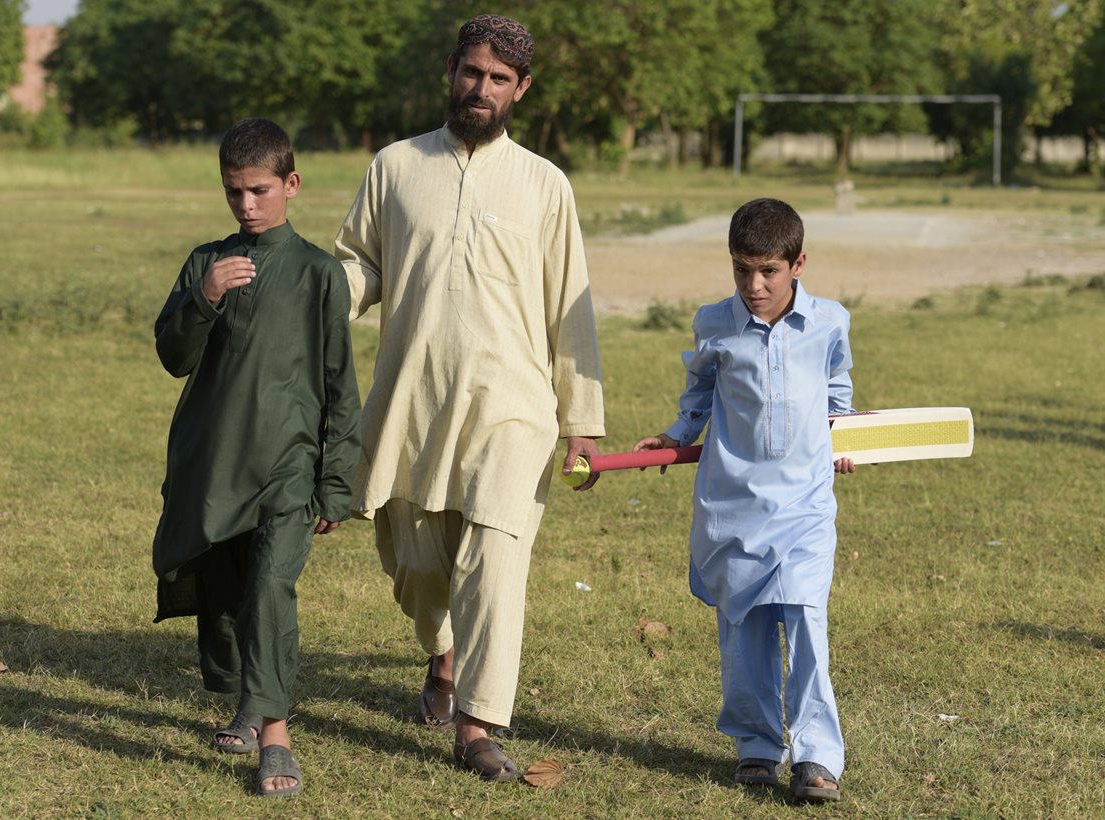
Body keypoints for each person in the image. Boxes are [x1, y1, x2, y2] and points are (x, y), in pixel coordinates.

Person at [334, 13, 606, 781]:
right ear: (450, 72)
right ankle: (443, 649)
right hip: (412, 404)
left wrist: (582, 420)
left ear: (522, 89)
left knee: (494, 563)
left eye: (498, 79)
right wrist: (313, 299)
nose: (481, 88)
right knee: (417, 565)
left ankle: (478, 725)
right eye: (471, 72)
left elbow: (571, 308)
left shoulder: (545, 185)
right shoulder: (395, 167)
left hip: (512, 410)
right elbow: (358, 263)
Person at [150, 118, 361, 798]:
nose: (246, 205)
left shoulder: (319, 273)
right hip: (214, 465)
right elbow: (174, 357)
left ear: (291, 184)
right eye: (233, 192)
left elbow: (340, 384)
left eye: (259, 190)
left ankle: (275, 736)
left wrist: (336, 483)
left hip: (288, 469)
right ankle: (248, 699)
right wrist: (205, 296)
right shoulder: (205, 263)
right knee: (230, 595)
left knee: (271, 586)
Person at [632, 198, 855, 803]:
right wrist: (676, 436)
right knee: (745, 629)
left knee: (806, 622)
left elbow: (838, 388)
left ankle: (817, 757)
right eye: (741, 269)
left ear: (798, 264)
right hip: (734, 505)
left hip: (805, 506)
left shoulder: (830, 322)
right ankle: (756, 747)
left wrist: (847, 436)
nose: (754, 286)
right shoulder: (715, 322)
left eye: (768, 271)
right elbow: (699, 392)